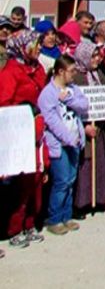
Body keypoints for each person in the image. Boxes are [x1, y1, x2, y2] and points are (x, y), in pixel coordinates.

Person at [0, 32, 48, 249]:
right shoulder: (11, 71)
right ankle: (14, 227)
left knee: (36, 179)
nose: (38, 48)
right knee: (19, 183)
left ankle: (30, 222)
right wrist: (25, 108)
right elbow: (4, 103)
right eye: (34, 45)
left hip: (37, 131)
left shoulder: (37, 68)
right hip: (19, 133)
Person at [38, 55, 89, 235]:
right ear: (60, 71)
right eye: (71, 71)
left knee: (71, 180)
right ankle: (54, 218)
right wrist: (68, 138)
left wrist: (69, 100)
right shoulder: (48, 93)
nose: (74, 74)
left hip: (74, 140)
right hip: (58, 144)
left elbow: (84, 106)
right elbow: (51, 121)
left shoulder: (73, 89)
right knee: (61, 181)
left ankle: (67, 216)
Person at [71, 41, 105, 218]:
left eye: (97, 55)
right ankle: (82, 203)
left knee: (99, 163)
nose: (97, 59)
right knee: (85, 166)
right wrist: (85, 126)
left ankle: (98, 198)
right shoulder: (77, 77)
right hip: (83, 128)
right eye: (93, 56)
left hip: (99, 127)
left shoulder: (98, 74)